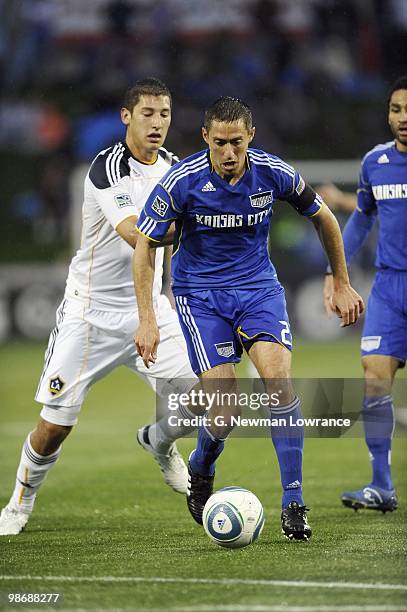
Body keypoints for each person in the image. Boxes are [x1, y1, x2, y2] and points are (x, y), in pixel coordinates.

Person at [133, 96, 364, 541]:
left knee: (280, 383)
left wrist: (340, 279)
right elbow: (145, 245)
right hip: (201, 298)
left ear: (250, 137)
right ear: (205, 138)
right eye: (219, 142)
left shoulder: (272, 171)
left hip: (258, 290)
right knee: (225, 411)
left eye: (236, 142)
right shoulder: (181, 182)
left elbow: (324, 217)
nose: (228, 152)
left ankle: (294, 503)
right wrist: (147, 318)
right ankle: (201, 466)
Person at [0, 78, 198, 537]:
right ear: (126, 117)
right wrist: (194, 225)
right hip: (90, 315)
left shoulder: (173, 169)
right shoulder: (108, 168)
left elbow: (181, 241)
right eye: (147, 113)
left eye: (165, 114)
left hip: (150, 310)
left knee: (211, 396)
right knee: (54, 428)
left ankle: (159, 443)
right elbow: (138, 236)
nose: (157, 123)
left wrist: (168, 294)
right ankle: (19, 503)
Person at [324, 76, 407, 514]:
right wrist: (335, 274)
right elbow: (361, 220)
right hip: (391, 287)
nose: (403, 118)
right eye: (396, 109)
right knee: (374, 379)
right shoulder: (375, 162)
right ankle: (381, 485)